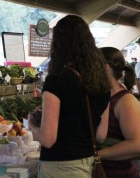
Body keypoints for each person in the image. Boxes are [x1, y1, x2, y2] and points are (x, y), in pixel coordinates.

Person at [28, 15, 111, 178]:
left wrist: (31, 124)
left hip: (59, 169)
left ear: (58, 43)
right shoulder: (101, 82)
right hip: (87, 165)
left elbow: (48, 139)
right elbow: (101, 135)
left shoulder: (57, 80)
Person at [98, 47, 140, 178]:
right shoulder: (101, 95)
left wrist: (96, 155)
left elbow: (136, 145)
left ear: (105, 68)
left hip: (118, 173)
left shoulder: (125, 100)